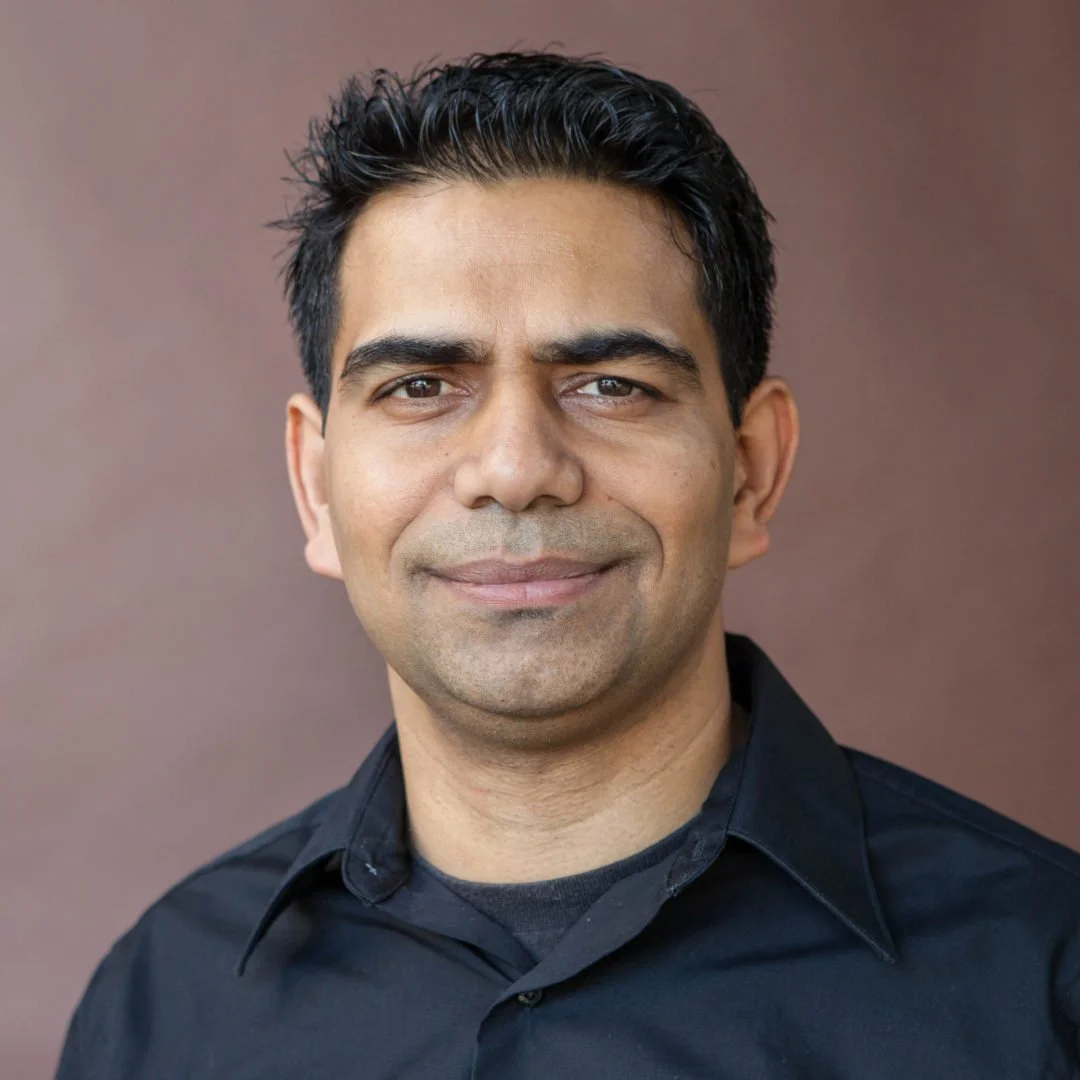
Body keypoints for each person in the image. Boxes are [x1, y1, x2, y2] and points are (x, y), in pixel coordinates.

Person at [56, 51, 1080, 1079]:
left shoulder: (1043, 979)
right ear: (316, 485)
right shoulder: (162, 1008)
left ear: (750, 471)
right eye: (419, 387)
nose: (514, 470)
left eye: (609, 386)